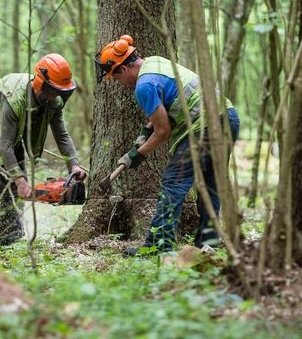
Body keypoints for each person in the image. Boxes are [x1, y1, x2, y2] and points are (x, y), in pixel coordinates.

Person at [94, 35, 240, 256]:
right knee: (211, 183)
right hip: (227, 117)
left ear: (123, 69)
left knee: (174, 181)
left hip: (205, 126)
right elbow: (166, 106)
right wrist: (145, 132)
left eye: (115, 78)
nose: (119, 83)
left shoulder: (143, 87)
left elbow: (163, 132)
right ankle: (208, 243)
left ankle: (159, 245)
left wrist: (135, 155)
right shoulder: (156, 62)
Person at [0, 54, 87, 247]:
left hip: (12, 133)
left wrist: (73, 165)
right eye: (52, 90)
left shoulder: (53, 102)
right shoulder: (14, 98)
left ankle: (11, 238)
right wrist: (20, 181)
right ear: (41, 83)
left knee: (14, 184)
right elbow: (3, 146)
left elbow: (62, 135)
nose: (54, 96)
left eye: (59, 91)